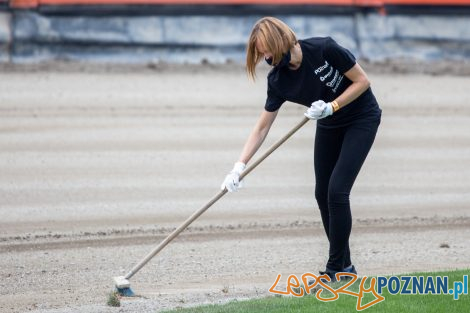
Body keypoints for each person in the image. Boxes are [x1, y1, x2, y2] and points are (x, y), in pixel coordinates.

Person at [221, 17, 381, 281]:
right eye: (262, 54)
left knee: (337, 191)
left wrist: (333, 106)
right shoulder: (278, 81)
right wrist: (239, 167)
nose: (267, 58)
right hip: (329, 123)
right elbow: (262, 127)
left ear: (281, 40)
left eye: (267, 50)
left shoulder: (324, 49)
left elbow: (362, 81)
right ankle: (346, 268)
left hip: (361, 118)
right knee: (322, 194)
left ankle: (333, 270)